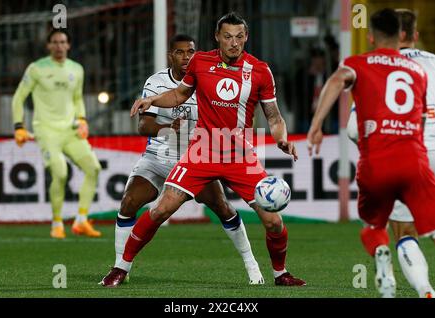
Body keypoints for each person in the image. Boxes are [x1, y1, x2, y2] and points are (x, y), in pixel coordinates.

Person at [101, 12, 306, 287]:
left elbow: (274, 116)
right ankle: (121, 268)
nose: (234, 43)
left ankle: (280, 274)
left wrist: (282, 138)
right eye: (228, 36)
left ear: (246, 37)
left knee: (273, 221)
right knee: (161, 209)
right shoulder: (201, 61)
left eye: (239, 36)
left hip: (240, 156)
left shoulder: (260, 70)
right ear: (217, 37)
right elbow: (179, 95)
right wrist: (151, 101)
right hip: (202, 152)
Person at [307, 8, 435, 298]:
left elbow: (350, 120)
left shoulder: (359, 64)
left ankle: (423, 288)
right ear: (408, 35)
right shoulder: (420, 70)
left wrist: (317, 124)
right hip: (418, 156)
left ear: (370, 36)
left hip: (380, 160)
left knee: (394, 231)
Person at [346, 9, 435, 298]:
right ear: (414, 35)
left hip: (408, 154)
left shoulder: (374, 68)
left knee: (406, 231)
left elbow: (352, 129)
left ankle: (426, 291)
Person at [12, 29, 102, 239]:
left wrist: (82, 119)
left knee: (93, 168)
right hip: (46, 130)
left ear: (68, 45)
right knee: (60, 173)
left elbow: (78, 98)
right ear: (48, 46)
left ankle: (81, 221)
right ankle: (57, 223)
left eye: (63, 42)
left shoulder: (77, 69)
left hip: (70, 130)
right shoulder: (36, 68)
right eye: (55, 42)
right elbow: (18, 97)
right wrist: (19, 126)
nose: (59, 46)